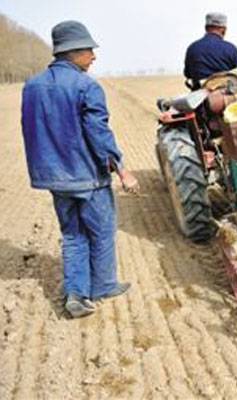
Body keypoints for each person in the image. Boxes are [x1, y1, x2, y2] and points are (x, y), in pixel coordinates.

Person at [21, 20, 139, 318]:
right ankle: (103, 286)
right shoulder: (86, 86)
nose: (93, 56)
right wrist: (121, 169)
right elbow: (98, 133)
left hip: (55, 178)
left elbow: (31, 131)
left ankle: (76, 294)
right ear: (72, 52)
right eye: (89, 50)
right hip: (88, 177)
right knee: (101, 232)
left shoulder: (32, 86)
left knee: (73, 234)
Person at [184, 12, 237, 88]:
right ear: (223, 30)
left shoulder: (192, 48)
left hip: (199, 95)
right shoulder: (230, 48)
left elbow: (187, 74)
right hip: (226, 96)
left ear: (206, 28)